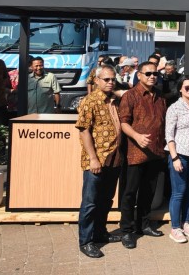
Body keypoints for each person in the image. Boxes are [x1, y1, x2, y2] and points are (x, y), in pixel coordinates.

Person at [75, 65, 124, 258]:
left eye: (113, 79)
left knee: (106, 200)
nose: (111, 82)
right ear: (96, 80)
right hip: (96, 160)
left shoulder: (114, 100)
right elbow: (83, 129)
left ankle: (100, 233)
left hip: (114, 157)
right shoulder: (90, 101)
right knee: (90, 202)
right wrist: (93, 158)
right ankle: (86, 241)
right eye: (106, 79)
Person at [118, 61, 167, 249]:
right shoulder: (130, 96)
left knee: (149, 191)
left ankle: (144, 225)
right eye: (148, 74)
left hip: (155, 152)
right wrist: (137, 137)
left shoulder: (160, 96)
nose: (152, 77)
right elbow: (124, 123)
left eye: (155, 74)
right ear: (139, 75)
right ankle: (126, 231)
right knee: (130, 193)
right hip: (135, 153)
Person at [165, 75, 189, 243]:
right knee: (178, 192)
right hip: (180, 154)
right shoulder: (174, 108)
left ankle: (186, 223)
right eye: (187, 87)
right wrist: (174, 158)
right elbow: (169, 134)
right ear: (180, 89)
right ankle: (175, 228)